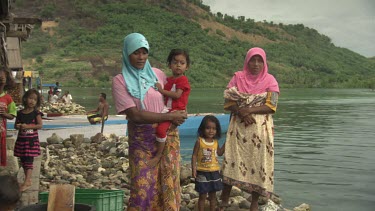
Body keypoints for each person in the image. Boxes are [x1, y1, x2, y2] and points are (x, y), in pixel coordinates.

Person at [112, 33, 187, 210]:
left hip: (167, 137)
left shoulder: (157, 74)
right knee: (142, 187)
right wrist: (169, 117)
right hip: (141, 141)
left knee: (168, 185)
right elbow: (135, 115)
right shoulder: (120, 81)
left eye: (144, 52)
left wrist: (180, 113)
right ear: (127, 53)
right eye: (136, 52)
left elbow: (174, 98)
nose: (141, 57)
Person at [219, 47, 279, 211]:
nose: (256, 64)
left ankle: (254, 201)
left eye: (260, 60)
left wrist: (248, 110)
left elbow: (271, 106)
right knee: (232, 159)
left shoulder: (270, 80)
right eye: (253, 60)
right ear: (247, 61)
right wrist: (241, 112)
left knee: (258, 163)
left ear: (264, 62)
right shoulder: (238, 77)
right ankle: (224, 197)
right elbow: (228, 101)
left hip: (260, 132)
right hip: (238, 128)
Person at [148, 49, 191, 167]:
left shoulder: (183, 80)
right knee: (154, 124)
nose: (178, 65)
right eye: (175, 62)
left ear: (187, 67)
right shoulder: (169, 80)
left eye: (182, 63)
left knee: (161, 130)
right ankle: (159, 145)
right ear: (169, 65)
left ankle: (158, 155)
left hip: (175, 111)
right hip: (167, 109)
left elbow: (177, 95)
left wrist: (161, 90)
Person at [192, 115, 225, 211]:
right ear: (202, 129)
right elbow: (194, 155)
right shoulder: (199, 141)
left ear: (217, 130)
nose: (211, 131)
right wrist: (194, 169)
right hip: (202, 172)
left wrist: (226, 143)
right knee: (202, 195)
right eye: (208, 128)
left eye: (214, 129)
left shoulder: (215, 142)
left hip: (214, 172)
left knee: (213, 196)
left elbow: (219, 153)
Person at [14, 89, 43, 192]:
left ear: (37, 102)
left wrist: (27, 126)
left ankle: (27, 181)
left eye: (35, 99)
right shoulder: (20, 113)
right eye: (30, 98)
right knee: (23, 160)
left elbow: (40, 125)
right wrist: (19, 126)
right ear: (25, 99)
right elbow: (15, 126)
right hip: (22, 140)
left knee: (29, 159)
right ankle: (28, 180)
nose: (32, 101)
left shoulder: (36, 113)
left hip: (31, 140)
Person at [0, 68, 17, 166]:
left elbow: (12, 115)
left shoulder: (8, 99)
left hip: (1, 134)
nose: (1, 78)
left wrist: (4, 114)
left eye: (3, 77)